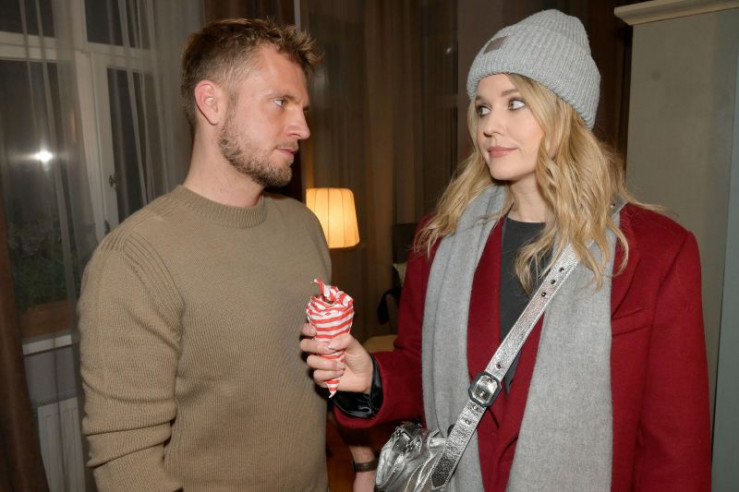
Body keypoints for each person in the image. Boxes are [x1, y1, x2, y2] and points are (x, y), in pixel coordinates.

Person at [301, 9, 711, 491]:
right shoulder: (441, 239)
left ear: (565, 111)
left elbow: (674, 448)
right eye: (482, 108)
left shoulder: (656, 253)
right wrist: (371, 376)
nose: (489, 125)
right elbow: (419, 368)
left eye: (515, 103)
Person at [78, 18, 330, 491]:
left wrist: (362, 460)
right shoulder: (133, 259)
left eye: (302, 108)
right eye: (281, 102)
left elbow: (325, 370)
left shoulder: (304, 226)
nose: (302, 128)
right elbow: (126, 464)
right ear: (212, 103)